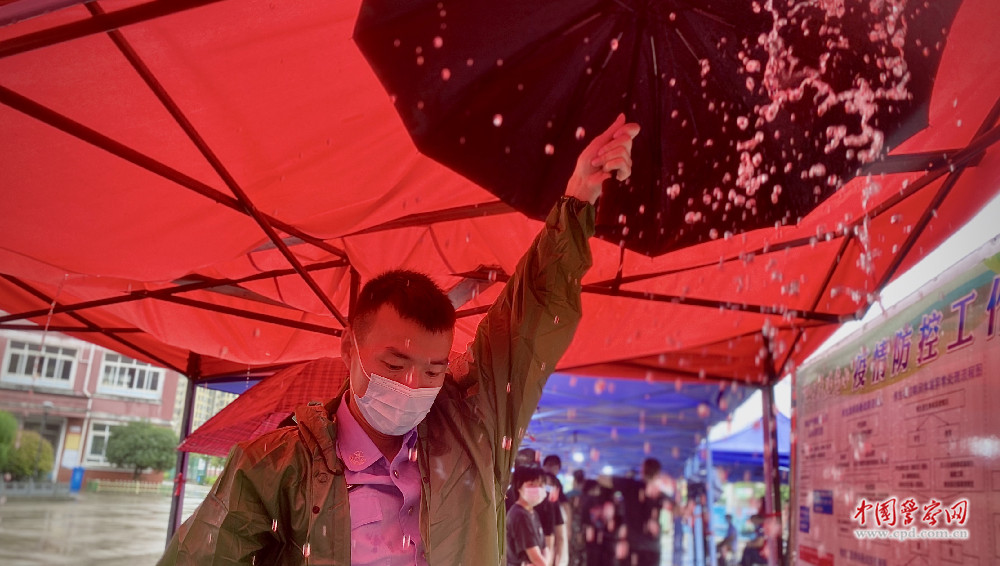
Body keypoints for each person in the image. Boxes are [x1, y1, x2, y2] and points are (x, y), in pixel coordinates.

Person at [157, 115, 641, 565]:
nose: (413, 386)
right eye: (393, 365)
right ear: (350, 348)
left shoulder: (473, 433)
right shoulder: (275, 468)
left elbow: (528, 317)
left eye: (433, 370)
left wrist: (578, 199)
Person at [612, 458, 669, 566]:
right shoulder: (659, 494)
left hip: (631, 546)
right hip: (651, 547)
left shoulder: (629, 485)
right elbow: (676, 508)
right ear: (657, 474)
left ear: (642, 470)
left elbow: (603, 479)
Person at [508, 466, 551, 566]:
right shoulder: (519, 515)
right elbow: (536, 558)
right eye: (531, 485)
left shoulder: (532, 513)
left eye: (540, 485)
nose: (537, 489)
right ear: (519, 487)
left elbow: (545, 549)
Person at [543, 454, 570, 566]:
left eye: (555, 466)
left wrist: (568, 527)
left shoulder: (555, 505)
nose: (552, 468)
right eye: (549, 465)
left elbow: (560, 538)